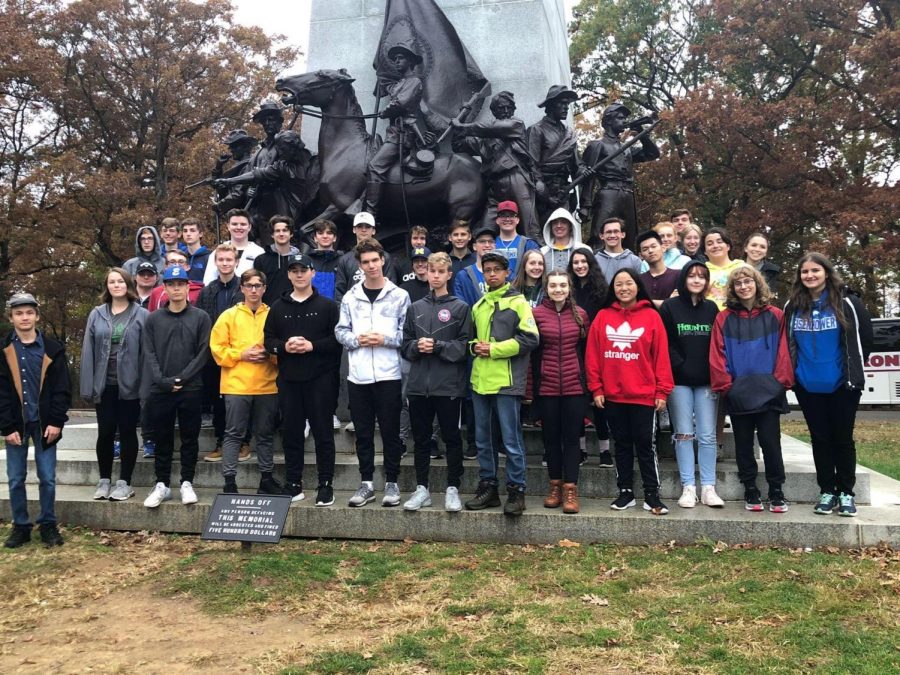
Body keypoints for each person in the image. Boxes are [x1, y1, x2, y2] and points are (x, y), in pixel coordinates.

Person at [784, 253, 873, 517]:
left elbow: (864, 339)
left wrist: (852, 372)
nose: (809, 276)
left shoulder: (848, 302)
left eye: (815, 271)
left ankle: (846, 492)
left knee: (842, 439)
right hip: (807, 385)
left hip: (842, 385)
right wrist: (795, 376)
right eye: (804, 272)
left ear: (826, 272)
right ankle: (827, 491)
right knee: (819, 439)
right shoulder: (792, 306)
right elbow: (787, 342)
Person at [585, 269, 673, 515]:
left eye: (629, 283)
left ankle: (652, 494)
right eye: (619, 284)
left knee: (646, 445)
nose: (624, 288)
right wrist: (596, 388)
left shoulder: (652, 317)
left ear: (638, 286)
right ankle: (625, 492)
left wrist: (662, 391)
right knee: (621, 444)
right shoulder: (602, 317)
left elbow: (661, 357)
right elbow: (592, 356)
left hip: (644, 395)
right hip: (612, 395)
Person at [710, 265, 794, 513]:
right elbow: (717, 354)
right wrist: (727, 386)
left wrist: (779, 383)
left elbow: (784, 352)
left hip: (769, 392)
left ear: (757, 284)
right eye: (738, 284)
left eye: (748, 282)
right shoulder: (723, 318)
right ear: (733, 289)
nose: (744, 287)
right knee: (744, 444)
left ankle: (776, 490)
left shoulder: (776, 315)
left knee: (771, 443)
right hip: (739, 392)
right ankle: (750, 488)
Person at [335, 239, 410, 507]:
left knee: (390, 432)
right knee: (363, 432)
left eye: (374, 260)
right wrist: (356, 340)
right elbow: (340, 331)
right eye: (365, 262)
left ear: (383, 261)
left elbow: (407, 334)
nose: (371, 266)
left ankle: (392, 481)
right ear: (359, 265)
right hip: (359, 375)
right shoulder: (350, 297)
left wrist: (384, 338)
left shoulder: (399, 295)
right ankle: (366, 482)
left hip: (389, 374)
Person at [464, 252, 539, 516]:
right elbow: (470, 342)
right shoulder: (478, 305)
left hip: (507, 382)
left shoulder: (518, 302)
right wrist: (476, 348)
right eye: (488, 270)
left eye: (497, 270)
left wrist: (494, 349)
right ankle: (489, 488)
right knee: (483, 440)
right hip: (480, 382)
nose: (492, 274)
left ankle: (517, 491)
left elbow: (530, 339)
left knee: (510, 440)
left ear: (507, 273)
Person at [265, 254, 342, 505]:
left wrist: (312, 346)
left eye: (303, 270)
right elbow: (268, 340)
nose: (299, 274)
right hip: (289, 379)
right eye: (294, 270)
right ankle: (294, 482)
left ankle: (325, 484)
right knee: (292, 434)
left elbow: (337, 341)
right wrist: (284, 346)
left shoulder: (328, 306)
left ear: (312, 273)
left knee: (323, 433)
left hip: (320, 379)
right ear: (289, 275)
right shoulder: (277, 307)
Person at [400, 252, 473, 512]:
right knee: (421, 439)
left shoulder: (460, 308)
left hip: (448, 386)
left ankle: (453, 488)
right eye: (432, 271)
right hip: (419, 386)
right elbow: (404, 345)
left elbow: (465, 347)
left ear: (449, 275)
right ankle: (422, 489)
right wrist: (416, 347)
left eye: (441, 272)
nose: (436, 276)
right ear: (426, 273)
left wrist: (440, 346)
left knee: (452, 437)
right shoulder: (415, 308)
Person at [1, 293, 71, 548]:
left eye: (29, 312)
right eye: (19, 313)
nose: (24, 317)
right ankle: (21, 526)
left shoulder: (53, 349)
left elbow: (62, 389)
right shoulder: (4, 350)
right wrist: (7, 426)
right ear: (11, 318)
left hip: (45, 425)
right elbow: (2, 392)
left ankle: (48, 524)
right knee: (16, 477)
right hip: (16, 427)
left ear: (37, 316)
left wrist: (56, 421)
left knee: (47, 477)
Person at [141, 266, 211, 508]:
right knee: (162, 438)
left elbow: (204, 352)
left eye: (181, 284)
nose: (177, 288)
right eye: (172, 284)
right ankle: (162, 483)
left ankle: (186, 482)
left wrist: (183, 378)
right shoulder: (153, 319)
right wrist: (162, 380)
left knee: (190, 437)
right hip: (161, 389)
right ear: (166, 287)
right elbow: (148, 352)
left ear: (187, 286)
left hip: (191, 388)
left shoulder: (200, 317)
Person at [209, 268, 281, 496]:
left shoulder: (274, 314)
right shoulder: (228, 316)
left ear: (264, 288)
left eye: (258, 285)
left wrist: (270, 354)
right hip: (236, 385)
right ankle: (229, 482)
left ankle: (266, 478)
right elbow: (217, 349)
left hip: (267, 384)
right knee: (233, 434)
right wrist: (241, 354)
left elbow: (281, 345)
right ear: (241, 288)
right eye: (249, 285)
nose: (253, 290)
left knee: (265, 434)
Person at [80, 268, 149, 502]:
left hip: (130, 384)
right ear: (107, 286)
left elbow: (146, 352)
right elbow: (87, 350)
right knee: (106, 431)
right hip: (104, 383)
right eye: (112, 281)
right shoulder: (97, 314)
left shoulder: (141, 314)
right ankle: (104, 480)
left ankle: (124, 482)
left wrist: (145, 386)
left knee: (128, 431)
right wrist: (87, 385)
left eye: (120, 281)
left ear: (128, 285)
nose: (116, 285)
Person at [659, 262, 723, 508]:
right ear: (684, 279)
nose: (697, 280)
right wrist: (680, 364)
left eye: (702, 277)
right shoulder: (670, 307)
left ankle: (708, 486)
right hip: (679, 382)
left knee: (707, 435)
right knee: (683, 434)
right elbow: (665, 342)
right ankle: (688, 486)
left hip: (707, 382)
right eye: (692, 276)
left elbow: (717, 343)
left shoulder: (712, 308)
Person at [532, 271, 591, 514]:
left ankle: (570, 489)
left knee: (571, 439)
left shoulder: (581, 315)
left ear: (569, 288)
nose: (558, 289)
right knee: (551, 439)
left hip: (574, 387)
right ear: (546, 288)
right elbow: (533, 353)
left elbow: (586, 351)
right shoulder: (536, 314)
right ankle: (554, 486)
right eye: (553, 285)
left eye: (563, 285)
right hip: (546, 386)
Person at [451, 90, 541, 239]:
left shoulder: (516, 125)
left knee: (531, 229)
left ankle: (536, 260)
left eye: (508, 107)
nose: (506, 111)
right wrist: (463, 117)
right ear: (493, 111)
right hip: (495, 187)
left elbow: (492, 128)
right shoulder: (483, 140)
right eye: (501, 108)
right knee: (485, 232)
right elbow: (458, 145)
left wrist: (463, 127)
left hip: (517, 179)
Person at [582, 102, 660, 250]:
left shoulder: (626, 149)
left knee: (630, 237)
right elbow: (588, 176)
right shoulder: (597, 145)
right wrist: (585, 205)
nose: (624, 121)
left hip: (628, 195)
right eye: (620, 118)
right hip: (608, 194)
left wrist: (642, 135)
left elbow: (652, 154)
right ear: (609, 121)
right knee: (600, 236)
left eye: (624, 118)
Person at [365, 41, 426, 217]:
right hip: (393, 132)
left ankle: (371, 213)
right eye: (395, 59)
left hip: (403, 133)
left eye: (401, 58)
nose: (397, 61)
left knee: (375, 166)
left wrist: (386, 111)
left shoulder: (414, 81)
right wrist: (381, 75)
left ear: (410, 62)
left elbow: (402, 102)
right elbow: (388, 88)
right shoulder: (400, 83)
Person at [196, 244, 243, 462]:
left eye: (229, 259)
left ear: (236, 262)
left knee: (240, 401)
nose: (225, 263)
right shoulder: (207, 291)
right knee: (218, 401)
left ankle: (242, 441)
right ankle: (221, 441)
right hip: (214, 355)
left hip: (240, 355)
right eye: (221, 260)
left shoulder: (244, 288)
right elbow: (202, 323)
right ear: (216, 262)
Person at [567, 250, 612, 467]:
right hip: (574, 349)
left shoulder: (602, 290)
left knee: (599, 402)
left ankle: (604, 450)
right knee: (577, 404)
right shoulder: (569, 290)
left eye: (583, 261)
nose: (579, 266)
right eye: (575, 262)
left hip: (597, 350)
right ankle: (582, 449)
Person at [527, 85, 585, 227]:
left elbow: (577, 165)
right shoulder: (537, 129)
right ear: (551, 105)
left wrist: (583, 171)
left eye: (568, 104)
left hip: (564, 191)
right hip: (544, 192)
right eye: (562, 103)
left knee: (563, 233)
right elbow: (530, 164)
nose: (566, 107)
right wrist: (545, 194)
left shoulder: (569, 134)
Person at [334, 212, 398, 301]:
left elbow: (391, 286)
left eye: (367, 227)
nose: (364, 230)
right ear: (354, 229)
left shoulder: (385, 257)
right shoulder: (344, 259)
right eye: (360, 226)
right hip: (353, 311)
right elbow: (339, 292)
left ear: (373, 230)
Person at [203, 209, 265, 285]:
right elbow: (208, 280)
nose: (238, 227)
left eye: (243, 224)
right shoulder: (217, 252)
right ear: (228, 226)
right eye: (234, 224)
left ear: (249, 227)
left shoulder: (259, 252)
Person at [254, 214, 301, 306]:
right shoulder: (261, 260)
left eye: (285, 230)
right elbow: (257, 288)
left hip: (295, 310)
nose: (281, 234)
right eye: (277, 231)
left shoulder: (300, 260)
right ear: (272, 234)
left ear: (291, 234)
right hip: (268, 311)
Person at [452, 225, 497, 307]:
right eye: (482, 241)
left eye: (490, 241)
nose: (487, 245)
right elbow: (460, 307)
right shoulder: (463, 276)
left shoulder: (504, 273)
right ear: (474, 246)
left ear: (495, 245)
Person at [493, 201, 539, 275]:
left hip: (520, 286)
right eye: (503, 215)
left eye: (511, 215)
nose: (507, 219)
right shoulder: (490, 244)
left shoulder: (529, 245)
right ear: (497, 220)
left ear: (517, 220)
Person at [636, 230, 681, 307]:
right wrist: (668, 302)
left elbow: (678, 304)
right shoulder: (638, 280)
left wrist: (646, 302)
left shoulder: (678, 275)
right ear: (641, 255)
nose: (650, 251)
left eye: (653, 246)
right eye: (645, 249)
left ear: (663, 248)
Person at [703, 227, 744, 310]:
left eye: (719, 242)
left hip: (737, 314)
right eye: (710, 244)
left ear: (728, 246)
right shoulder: (700, 270)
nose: (715, 246)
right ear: (704, 251)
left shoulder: (742, 267)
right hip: (708, 317)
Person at [540, 207, 590, 272]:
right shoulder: (542, 252)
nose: (559, 226)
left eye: (563, 222)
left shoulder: (584, 250)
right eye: (555, 222)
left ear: (570, 226)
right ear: (550, 226)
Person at [594, 217, 642, 284]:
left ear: (623, 234)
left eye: (616, 231)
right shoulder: (594, 261)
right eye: (608, 232)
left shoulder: (635, 261)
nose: (612, 235)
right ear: (601, 236)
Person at [308, 219, 344, 302]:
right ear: (315, 238)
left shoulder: (343, 260)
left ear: (334, 238)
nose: (325, 236)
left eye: (329, 233)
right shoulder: (307, 260)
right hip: (311, 309)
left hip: (336, 310)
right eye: (320, 233)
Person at [180, 218, 211, 282]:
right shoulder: (180, 257)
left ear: (200, 234)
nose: (188, 234)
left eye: (192, 230)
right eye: (185, 231)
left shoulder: (210, 257)